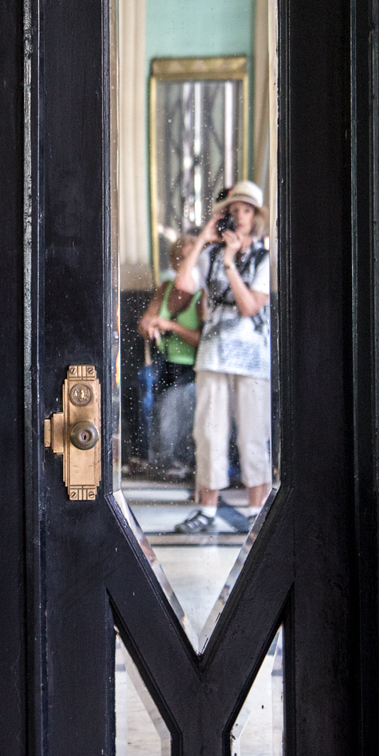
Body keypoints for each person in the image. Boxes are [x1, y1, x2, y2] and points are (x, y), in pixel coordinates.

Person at [173, 180, 272, 532]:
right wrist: (203, 239)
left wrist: (230, 263)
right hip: (214, 355)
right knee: (209, 433)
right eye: (234, 210)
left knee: (252, 434)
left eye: (246, 210)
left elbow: (249, 307)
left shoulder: (265, 256)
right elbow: (183, 285)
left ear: (256, 216)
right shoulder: (210, 254)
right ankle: (208, 509)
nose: (240, 217)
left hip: (252, 359)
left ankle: (256, 509)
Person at [137, 234, 202, 476]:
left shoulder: (202, 294)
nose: (181, 263)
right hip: (165, 364)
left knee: (174, 410)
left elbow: (202, 340)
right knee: (156, 409)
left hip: (192, 368)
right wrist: (149, 326)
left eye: (186, 258)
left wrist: (171, 326)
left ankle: (179, 463)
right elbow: (145, 321)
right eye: (177, 258)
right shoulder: (165, 289)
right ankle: (163, 463)